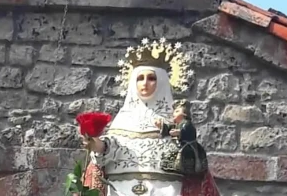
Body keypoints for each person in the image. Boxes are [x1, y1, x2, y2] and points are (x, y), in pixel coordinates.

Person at [79, 39, 221, 196]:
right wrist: (96, 144)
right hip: (122, 190)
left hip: (166, 190)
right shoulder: (124, 119)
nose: (145, 83)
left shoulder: (174, 121)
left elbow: (190, 158)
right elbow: (110, 149)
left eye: (151, 78)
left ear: (161, 82)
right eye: (140, 78)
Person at [155, 100, 209, 177]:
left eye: (177, 111)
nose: (174, 114)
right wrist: (161, 126)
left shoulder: (186, 123)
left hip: (187, 147)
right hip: (179, 146)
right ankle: (170, 166)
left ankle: (185, 168)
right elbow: (170, 128)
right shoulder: (178, 124)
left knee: (183, 158)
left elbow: (188, 130)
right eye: (174, 112)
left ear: (184, 113)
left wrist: (179, 132)